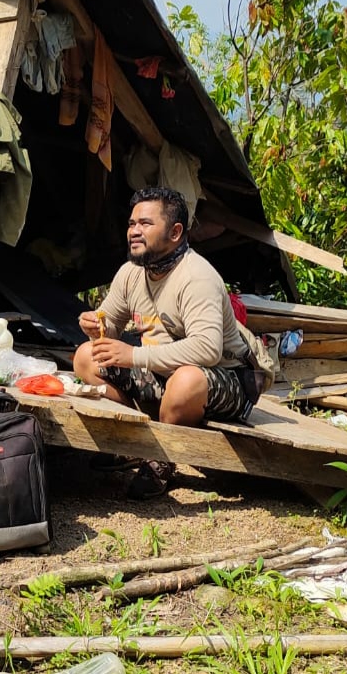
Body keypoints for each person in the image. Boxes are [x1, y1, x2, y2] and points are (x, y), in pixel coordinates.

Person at [73, 186, 255, 497]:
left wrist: (135, 356)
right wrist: (96, 325)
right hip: (162, 374)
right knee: (86, 356)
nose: (134, 231)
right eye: (132, 224)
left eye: (145, 224)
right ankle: (135, 442)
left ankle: (163, 457)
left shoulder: (197, 277)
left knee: (186, 381)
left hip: (227, 380)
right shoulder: (131, 272)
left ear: (175, 232)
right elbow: (111, 324)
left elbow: (207, 350)